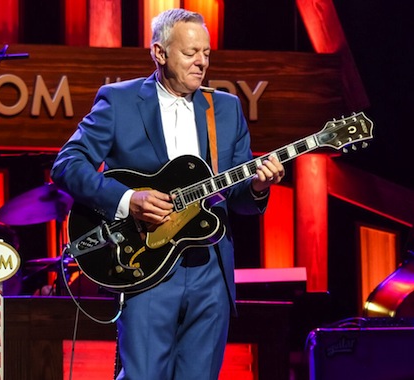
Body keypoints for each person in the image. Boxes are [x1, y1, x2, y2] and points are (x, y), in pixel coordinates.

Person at [51, 8, 285, 380]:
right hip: (146, 265)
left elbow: (239, 198)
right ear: (159, 53)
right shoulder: (118, 101)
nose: (201, 62)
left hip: (211, 268)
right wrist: (129, 201)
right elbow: (67, 165)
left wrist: (257, 186)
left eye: (206, 53)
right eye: (190, 53)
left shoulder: (225, 108)